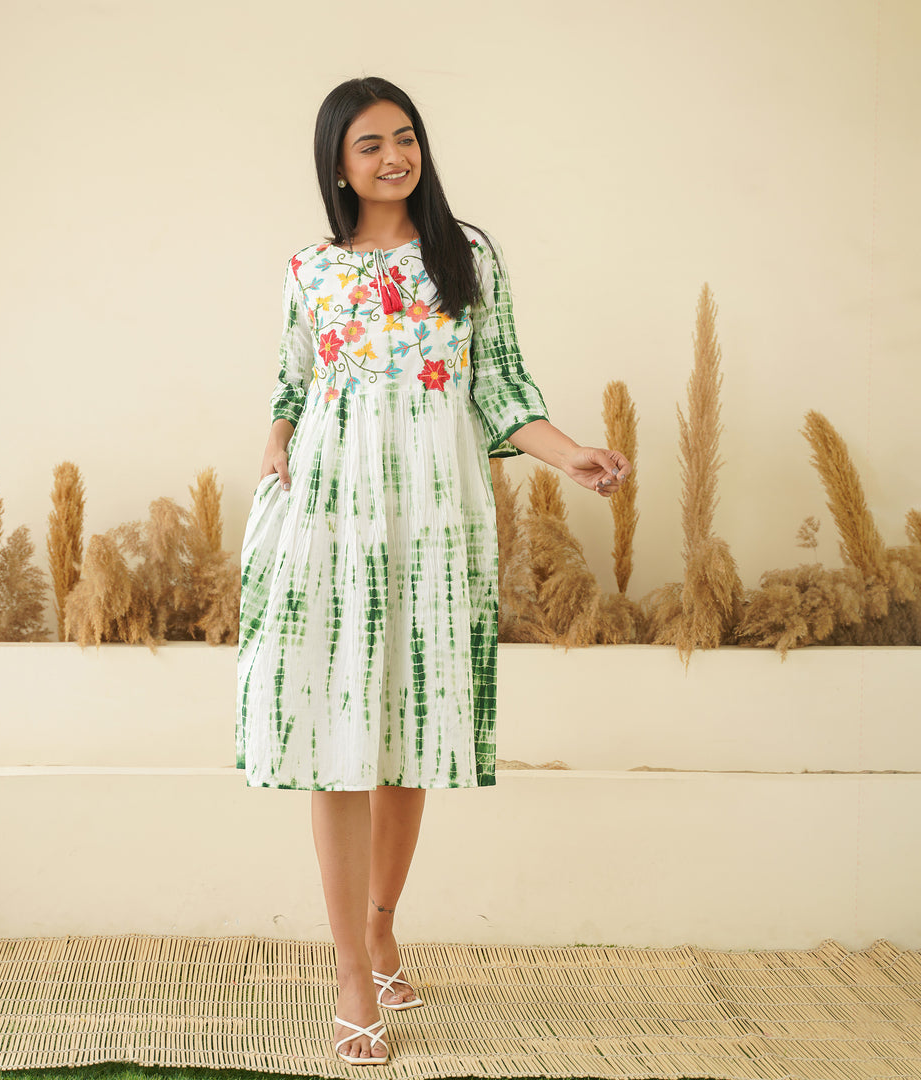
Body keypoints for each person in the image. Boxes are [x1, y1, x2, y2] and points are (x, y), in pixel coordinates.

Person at [236, 76, 632, 1065]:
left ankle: (381, 925)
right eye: (370, 144)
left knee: (408, 736)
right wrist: (276, 438)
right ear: (338, 164)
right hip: (333, 510)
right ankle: (350, 973)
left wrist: (571, 455)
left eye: (405, 137)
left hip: (436, 511)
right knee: (338, 738)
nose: (394, 157)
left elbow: (502, 389)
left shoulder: (467, 256)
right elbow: (292, 379)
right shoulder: (311, 269)